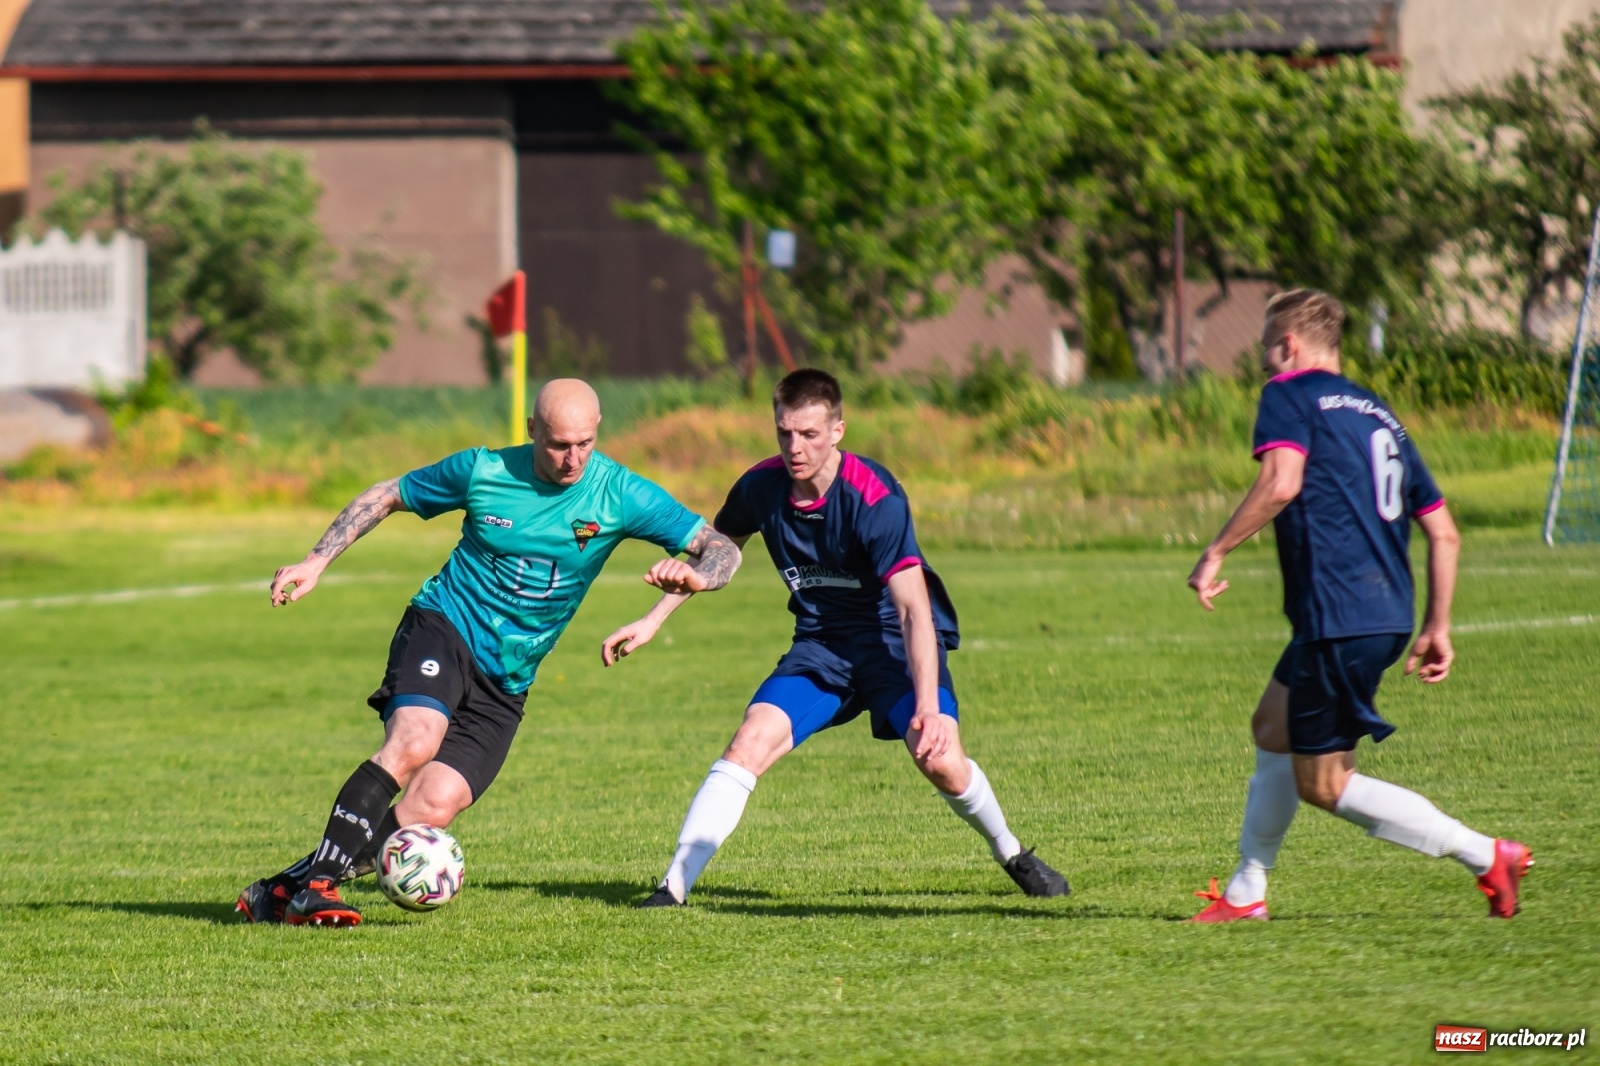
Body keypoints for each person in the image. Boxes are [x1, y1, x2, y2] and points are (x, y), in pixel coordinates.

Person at [236, 379, 741, 926]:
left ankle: (280, 889)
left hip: (508, 680)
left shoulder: (620, 493)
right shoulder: (484, 470)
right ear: (531, 431)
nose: (573, 458)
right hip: (444, 627)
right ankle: (317, 887)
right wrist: (315, 561)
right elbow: (388, 494)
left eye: (585, 443)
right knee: (415, 740)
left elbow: (722, 548)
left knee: (433, 805)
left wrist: (697, 575)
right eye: (558, 444)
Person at [607, 368, 1068, 907]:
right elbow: (718, 553)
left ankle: (1011, 852)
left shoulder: (874, 497)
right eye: (784, 433)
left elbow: (914, 610)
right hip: (821, 647)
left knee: (938, 758)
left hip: (890, 644)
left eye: (809, 434)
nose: (795, 448)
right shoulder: (760, 486)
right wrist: (654, 618)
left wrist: (929, 708)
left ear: (838, 431)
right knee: (747, 742)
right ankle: (672, 889)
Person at [1185, 289, 1531, 922]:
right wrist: (1437, 626)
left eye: (1267, 348)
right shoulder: (1379, 414)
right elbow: (1444, 532)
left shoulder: (1287, 394)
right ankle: (1245, 892)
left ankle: (1485, 854)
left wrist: (1216, 551)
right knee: (1271, 726)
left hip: (1338, 616)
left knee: (1325, 784)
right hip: (1380, 612)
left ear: (1288, 345)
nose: (1264, 362)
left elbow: (1281, 482)